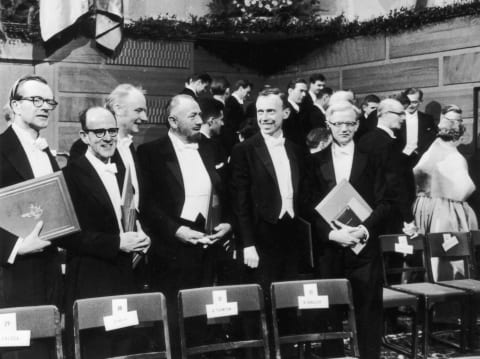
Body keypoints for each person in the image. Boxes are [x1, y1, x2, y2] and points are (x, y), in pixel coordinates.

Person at [137, 94, 232, 356]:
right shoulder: (150, 153)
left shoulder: (211, 147)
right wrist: (177, 231)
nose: (200, 120)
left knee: (203, 315)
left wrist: (228, 224)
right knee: (173, 319)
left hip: (209, 245)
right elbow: (147, 205)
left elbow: (226, 192)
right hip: (172, 249)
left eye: (200, 115)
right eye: (193, 116)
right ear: (173, 121)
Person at [61, 107, 151, 358]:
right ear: (84, 136)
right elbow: (65, 235)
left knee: (124, 347)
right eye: (99, 132)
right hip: (91, 278)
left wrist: (140, 234)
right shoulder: (70, 175)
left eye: (112, 130)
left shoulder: (121, 169)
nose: (108, 137)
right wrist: (116, 242)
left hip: (124, 275)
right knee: (96, 349)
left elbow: (126, 214)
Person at [302, 101, 389, 359]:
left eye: (349, 123)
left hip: (364, 249)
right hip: (330, 248)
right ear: (328, 125)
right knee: (330, 313)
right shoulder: (313, 162)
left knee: (368, 313)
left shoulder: (373, 160)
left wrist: (365, 229)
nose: (344, 128)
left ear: (358, 125)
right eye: (338, 123)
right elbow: (306, 205)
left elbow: (386, 202)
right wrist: (331, 234)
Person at [0, 74, 63, 359]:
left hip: (47, 268)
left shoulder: (45, 151)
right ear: (15, 105)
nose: (45, 106)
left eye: (49, 101)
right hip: (12, 271)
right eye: (36, 100)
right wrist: (14, 247)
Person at [230, 87, 304, 297]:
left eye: (271, 111)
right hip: (260, 235)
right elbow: (240, 202)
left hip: (291, 232)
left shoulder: (295, 149)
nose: (264, 118)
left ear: (286, 113)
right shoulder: (243, 150)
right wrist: (248, 244)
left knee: (289, 299)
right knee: (262, 298)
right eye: (260, 112)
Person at [413, 104, 478, 280]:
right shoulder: (435, 148)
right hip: (439, 208)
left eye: (457, 120)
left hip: (446, 207)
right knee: (440, 251)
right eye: (450, 120)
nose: (453, 124)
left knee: (450, 253)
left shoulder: (454, 154)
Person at [221, 79, 252, 154]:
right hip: (231, 141)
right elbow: (229, 125)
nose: (248, 95)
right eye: (247, 92)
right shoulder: (231, 102)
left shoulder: (235, 102)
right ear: (241, 88)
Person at [283, 78, 308, 146]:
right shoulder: (285, 110)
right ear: (290, 91)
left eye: (305, 91)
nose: (304, 94)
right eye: (301, 91)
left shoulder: (301, 109)